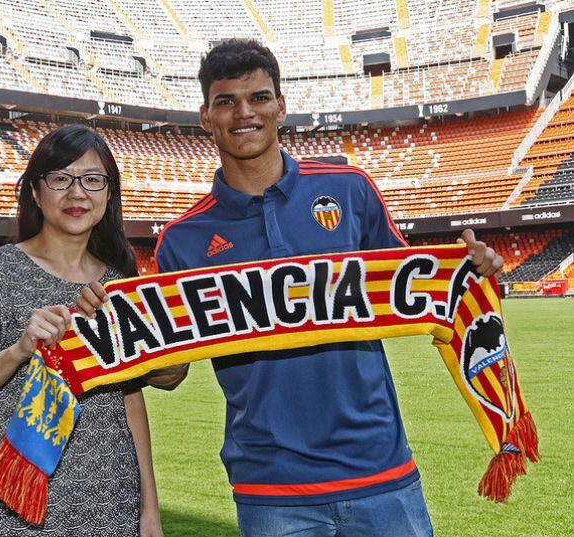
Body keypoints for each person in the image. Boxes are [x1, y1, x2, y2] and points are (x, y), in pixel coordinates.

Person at [77, 40, 504, 536]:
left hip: (379, 469)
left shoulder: (351, 191)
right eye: (226, 101)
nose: (244, 113)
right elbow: (172, 373)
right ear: (205, 117)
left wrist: (474, 273)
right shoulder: (183, 239)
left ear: (281, 106)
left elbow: (423, 295)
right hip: (270, 487)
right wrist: (118, 334)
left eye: (258, 98)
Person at [0, 125, 163, 537]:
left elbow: (131, 403)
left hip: (113, 505)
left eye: (93, 180)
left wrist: (149, 510)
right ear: (36, 193)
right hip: (19, 505)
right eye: (60, 178)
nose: (77, 193)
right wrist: (20, 349)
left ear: (109, 194)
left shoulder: (119, 284)